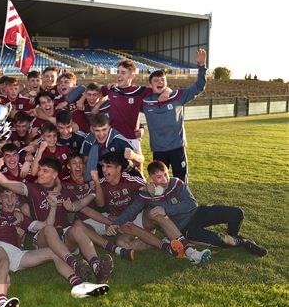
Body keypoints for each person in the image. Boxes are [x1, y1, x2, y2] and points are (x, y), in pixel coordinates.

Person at [0, 187, 110, 307]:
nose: (9, 200)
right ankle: (2, 306)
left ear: (16, 200)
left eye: (13, 196)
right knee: (3, 262)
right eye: (5, 196)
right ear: (0, 199)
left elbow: (46, 226)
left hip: (17, 253)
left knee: (54, 252)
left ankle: (79, 286)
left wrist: (52, 207)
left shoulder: (21, 218)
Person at [110, 161, 267, 259]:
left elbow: (191, 204)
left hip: (197, 213)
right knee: (220, 241)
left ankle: (235, 235)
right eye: (158, 177)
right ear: (151, 178)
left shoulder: (176, 183)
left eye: (165, 174)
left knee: (236, 213)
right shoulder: (146, 194)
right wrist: (115, 223)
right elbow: (131, 211)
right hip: (185, 229)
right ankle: (243, 242)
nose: (163, 180)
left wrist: (165, 208)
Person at [141, 49, 207, 183]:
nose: (160, 82)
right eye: (156, 80)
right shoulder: (145, 102)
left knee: (181, 181)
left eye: (162, 80)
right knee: (159, 181)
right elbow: (127, 107)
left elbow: (199, 86)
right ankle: (162, 203)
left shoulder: (177, 96)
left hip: (177, 148)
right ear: (150, 84)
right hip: (158, 150)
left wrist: (202, 66)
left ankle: (184, 203)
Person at [81, 113, 144, 181]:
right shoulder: (89, 141)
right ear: (92, 130)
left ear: (109, 127)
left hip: (124, 173)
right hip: (104, 174)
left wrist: (133, 156)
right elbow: (85, 162)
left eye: (104, 129)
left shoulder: (119, 140)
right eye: (97, 130)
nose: (101, 134)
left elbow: (141, 159)